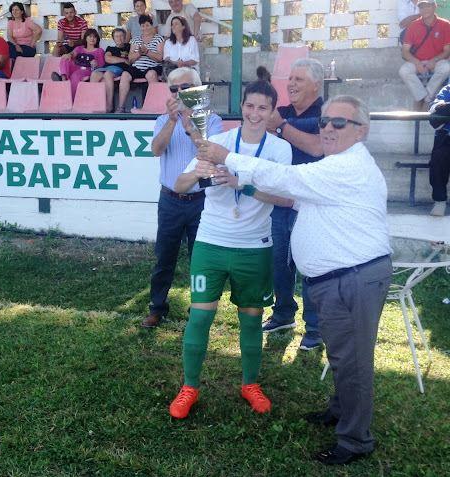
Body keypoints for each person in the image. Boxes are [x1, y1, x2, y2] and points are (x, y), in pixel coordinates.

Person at [196, 95, 392, 466]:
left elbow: (287, 179)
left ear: (361, 131)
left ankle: (355, 441)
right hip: (339, 280)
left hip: (351, 280)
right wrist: (243, 185)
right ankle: (340, 410)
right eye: (324, 122)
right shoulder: (334, 166)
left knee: (353, 363)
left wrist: (228, 157)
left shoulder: (347, 166)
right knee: (343, 355)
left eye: (339, 123)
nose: (328, 128)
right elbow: (291, 197)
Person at [168, 67, 293, 419]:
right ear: (242, 106)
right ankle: (189, 387)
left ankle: (250, 384)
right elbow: (179, 185)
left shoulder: (280, 149)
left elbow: (285, 198)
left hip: (255, 247)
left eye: (263, 108)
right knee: (199, 317)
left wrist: (243, 185)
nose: (255, 113)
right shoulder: (218, 141)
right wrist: (197, 173)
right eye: (250, 106)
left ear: (272, 111)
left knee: (251, 321)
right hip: (211, 242)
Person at [141, 67, 222, 329]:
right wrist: (172, 121)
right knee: (164, 258)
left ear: (197, 90)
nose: (179, 93)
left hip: (201, 200)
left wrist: (189, 126)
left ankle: (198, 308)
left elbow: (212, 154)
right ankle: (157, 308)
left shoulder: (212, 120)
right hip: (170, 200)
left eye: (185, 88)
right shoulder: (163, 120)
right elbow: (156, 150)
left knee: (200, 259)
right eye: (174, 89)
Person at [264, 58, 325, 351]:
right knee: (279, 262)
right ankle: (283, 314)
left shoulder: (326, 113)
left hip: (311, 205)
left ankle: (314, 328)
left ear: (316, 85)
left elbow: (316, 146)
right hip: (281, 200)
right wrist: (280, 126)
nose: (291, 84)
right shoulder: (283, 112)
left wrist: (281, 128)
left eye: (298, 79)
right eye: (290, 78)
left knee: (310, 266)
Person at [399, 0, 450, 111]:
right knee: (404, 71)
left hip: (436, 60)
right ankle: (421, 97)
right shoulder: (413, 25)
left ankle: (427, 100)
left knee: (446, 68)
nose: (424, 9)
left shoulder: (445, 24)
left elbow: (447, 51)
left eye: (428, 6)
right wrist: (417, 63)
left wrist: (435, 59)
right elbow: (405, 51)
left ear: (435, 7)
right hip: (417, 61)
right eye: (421, 7)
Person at [116, 15, 164, 113]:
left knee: (151, 74)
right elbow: (130, 59)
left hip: (152, 67)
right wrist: (138, 53)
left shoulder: (159, 39)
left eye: (147, 25)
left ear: (151, 25)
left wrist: (147, 51)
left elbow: (160, 58)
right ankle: (121, 107)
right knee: (125, 75)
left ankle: (154, 107)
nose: (145, 28)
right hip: (137, 68)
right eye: (143, 26)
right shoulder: (136, 39)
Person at [53, 28, 105, 98]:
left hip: (86, 70)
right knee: (65, 59)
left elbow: (102, 67)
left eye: (94, 37)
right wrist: (69, 55)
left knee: (75, 76)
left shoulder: (99, 51)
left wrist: (96, 65)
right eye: (90, 36)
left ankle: (72, 99)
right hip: (75, 67)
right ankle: (63, 81)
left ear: (97, 39)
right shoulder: (79, 48)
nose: (92, 39)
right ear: (86, 38)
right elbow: (73, 53)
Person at [89, 28, 130, 113]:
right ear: (113, 38)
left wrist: (115, 59)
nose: (119, 38)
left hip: (120, 69)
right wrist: (123, 60)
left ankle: (109, 105)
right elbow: (107, 58)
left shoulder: (128, 47)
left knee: (107, 74)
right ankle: (94, 104)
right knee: (94, 74)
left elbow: (130, 60)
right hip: (107, 68)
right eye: (117, 36)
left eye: (121, 36)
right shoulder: (110, 48)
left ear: (125, 37)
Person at [427, 84, 450, 216]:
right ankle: (439, 201)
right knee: (438, 160)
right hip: (446, 137)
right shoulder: (448, 89)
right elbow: (434, 108)